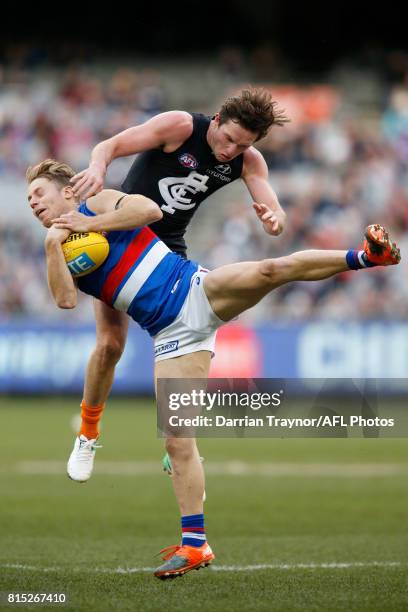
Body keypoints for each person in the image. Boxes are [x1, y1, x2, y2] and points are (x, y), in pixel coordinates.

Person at [27, 159, 400, 579]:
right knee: (176, 442)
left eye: (39, 194)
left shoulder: (98, 202)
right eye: (28, 201)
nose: (33, 203)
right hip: (173, 338)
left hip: (196, 291)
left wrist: (91, 224)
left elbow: (149, 211)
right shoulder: (57, 247)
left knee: (269, 270)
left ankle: (367, 256)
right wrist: (50, 244)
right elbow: (63, 300)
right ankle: (195, 545)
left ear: (67, 192)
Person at [65, 88, 289, 482]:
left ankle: (181, 441)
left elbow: (274, 207)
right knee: (109, 345)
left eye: (243, 145)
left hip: (167, 250)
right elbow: (109, 145)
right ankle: (87, 434)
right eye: (228, 138)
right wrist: (99, 169)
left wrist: (275, 219)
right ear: (217, 119)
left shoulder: (248, 161)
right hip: (120, 236)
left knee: (193, 334)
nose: (230, 151)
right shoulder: (180, 126)